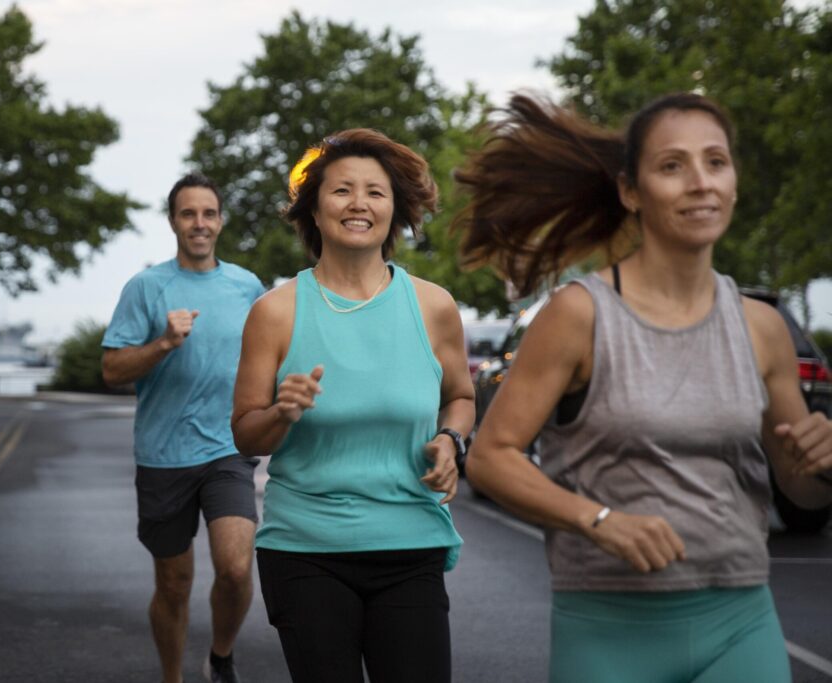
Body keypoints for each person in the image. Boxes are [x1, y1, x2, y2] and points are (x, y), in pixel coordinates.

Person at [456, 93, 832, 683]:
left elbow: (802, 493)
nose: (700, 183)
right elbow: (490, 457)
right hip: (608, 627)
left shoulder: (762, 328)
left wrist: (821, 464)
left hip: (740, 619)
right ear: (631, 191)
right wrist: (597, 519)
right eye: (672, 166)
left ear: (734, 180)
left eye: (716, 162)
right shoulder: (579, 315)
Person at [230, 129, 474, 683]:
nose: (359, 203)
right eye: (342, 191)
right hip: (306, 550)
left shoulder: (434, 306)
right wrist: (282, 413)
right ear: (313, 210)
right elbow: (245, 433)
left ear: (396, 211)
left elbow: (459, 396)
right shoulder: (276, 312)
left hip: (411, 544)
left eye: (375, 192)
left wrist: (451, 440)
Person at [102, 173, 265, 683]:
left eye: (208, 213)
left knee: (237, 569)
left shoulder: (246, 286)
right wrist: (163, 344)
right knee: (174, 584)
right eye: (188, 213)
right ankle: (172, 677)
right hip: (163, 454)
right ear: (173, 221)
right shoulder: (147, 288)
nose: (199, 223)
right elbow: (111, 370)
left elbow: (270, 358)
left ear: (220, 220)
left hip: (227, 449)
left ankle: (220, 656)